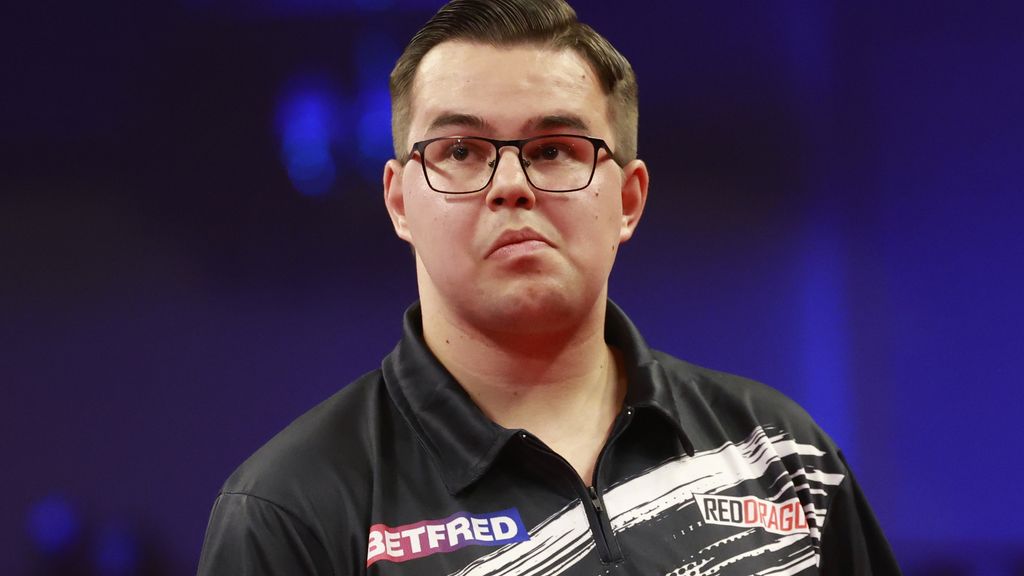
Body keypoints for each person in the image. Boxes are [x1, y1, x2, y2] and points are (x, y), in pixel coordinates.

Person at [197, 1, 901, 574]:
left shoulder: (783, 458)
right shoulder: (292, 507)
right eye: (461, 150)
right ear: (400, 200)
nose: (510, 185)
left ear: (629, 200)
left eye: (555, 150)